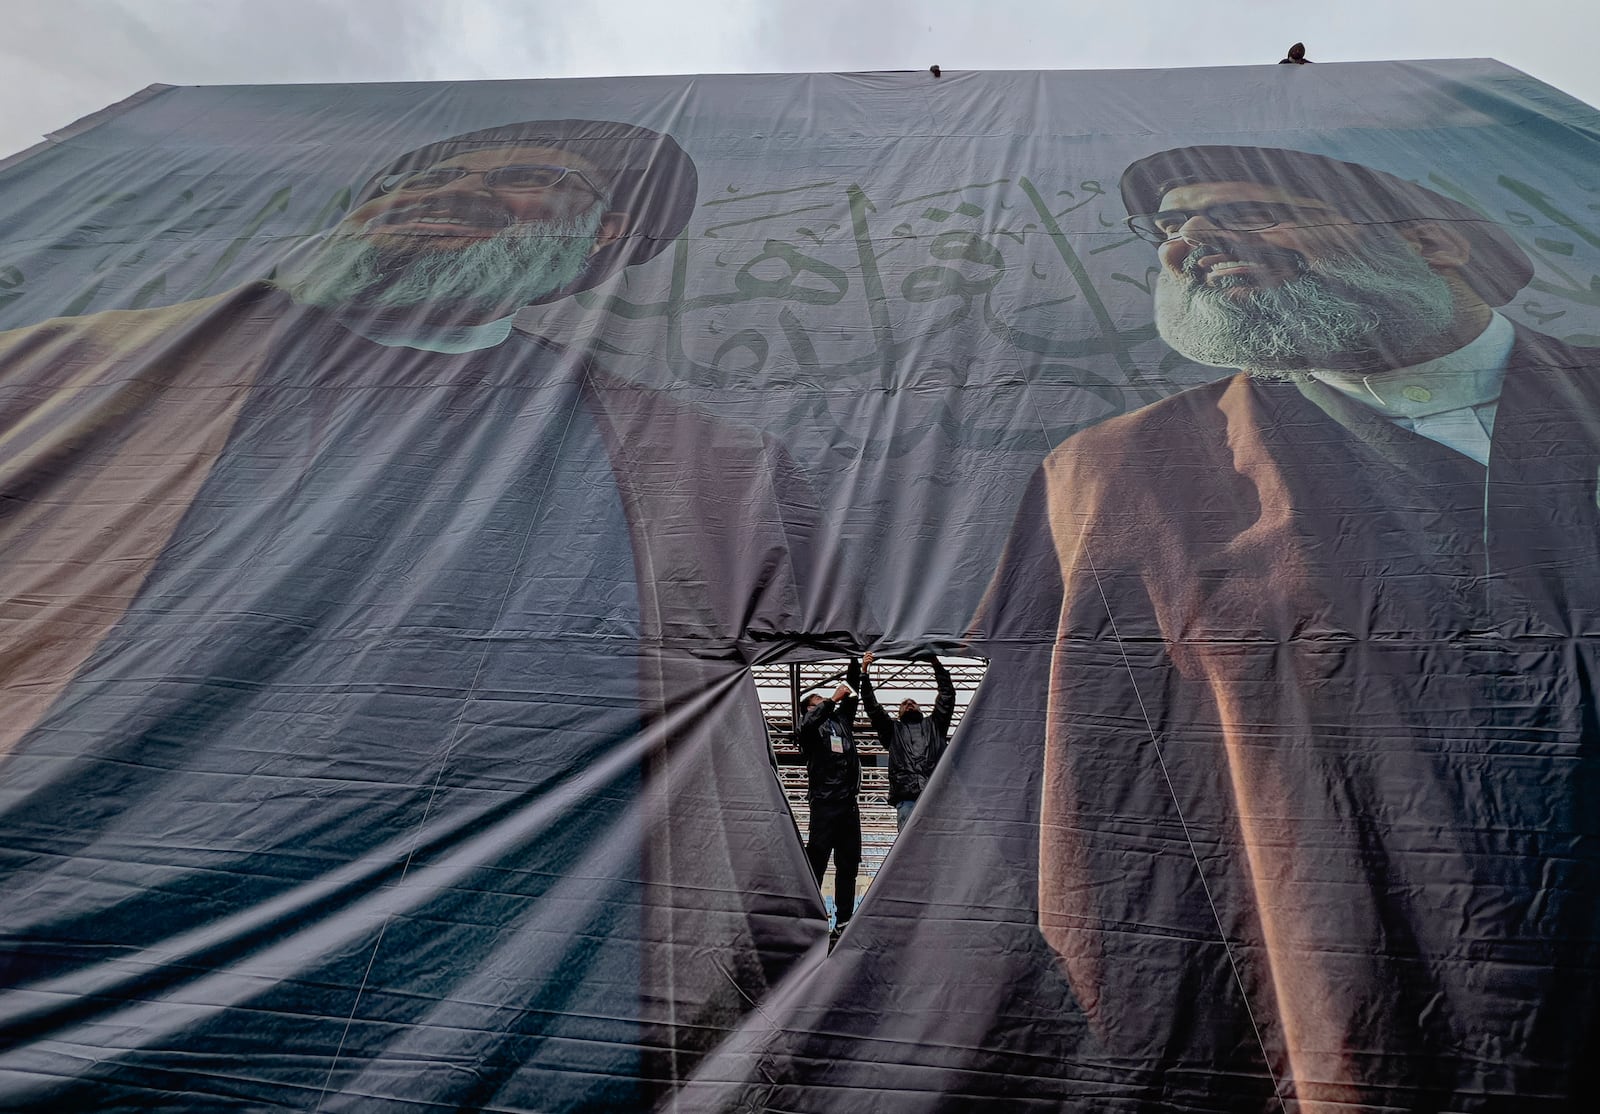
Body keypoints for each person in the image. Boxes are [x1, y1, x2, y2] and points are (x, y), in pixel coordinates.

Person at [0, 119, 833, 1111]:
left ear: (603, 237)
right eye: (423, 176)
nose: (451, 191)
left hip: (517, 961)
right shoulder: (64, 372)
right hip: (78, 907)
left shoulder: (707, 464)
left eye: (525, 176)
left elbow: (828, 694)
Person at [980, 144, 1600, 1109]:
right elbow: (1085, 779)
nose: (1192, 244)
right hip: (1341, 963)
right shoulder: (1118, 475)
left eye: (1245, 215)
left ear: (1432, 242)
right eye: (1171, 230)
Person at [795, 660, 863, 934]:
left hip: (848, 803)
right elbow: (806, 725)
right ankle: (811, 917)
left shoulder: (841, 723)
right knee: (818, 859)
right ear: (810, 709)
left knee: (848, 863)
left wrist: (855, 662)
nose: (826, 702)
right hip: (824, 802)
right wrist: (831, 700)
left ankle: (844, 919)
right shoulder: (810, 729)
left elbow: (851, 689)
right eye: (818, 701)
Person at [860, 650, 955, 830]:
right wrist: (864, 672)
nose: (909, 704)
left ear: (920, 708)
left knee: (939, 845)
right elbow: (872, 707)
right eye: (904, 703)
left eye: (913, 702)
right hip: (907, 796)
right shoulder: (893, 730)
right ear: (899, 711)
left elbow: (947, 696)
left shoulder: (935, 725)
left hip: (936, 794)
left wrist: (935, 662)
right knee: (908, 849)